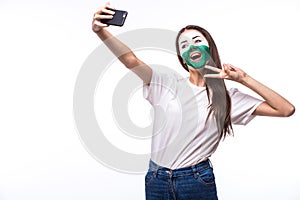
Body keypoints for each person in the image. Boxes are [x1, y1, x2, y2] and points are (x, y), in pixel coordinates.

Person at [92, 2, 295, 200]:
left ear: (209, 48)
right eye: (184, 44)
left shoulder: (228, 98)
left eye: (197, 41)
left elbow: (286, 109)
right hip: (156, 179)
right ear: (182, 57)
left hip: (196, 181)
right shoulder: (165, 83)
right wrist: (100, 31)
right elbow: (131, 61)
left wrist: (244, 79)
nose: (192, 46)